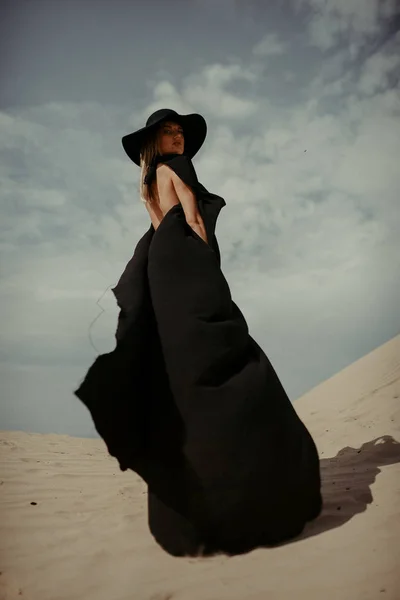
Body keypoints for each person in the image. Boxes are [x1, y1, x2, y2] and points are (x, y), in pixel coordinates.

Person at [74, 108, 322, 557]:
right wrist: (209, 264)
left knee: (181, 363)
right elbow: (192, 219)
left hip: (160, 269)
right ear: (155, 140)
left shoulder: (147, 182)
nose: (178, 138)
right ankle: (254, 490)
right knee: (220, 350)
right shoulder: (177, 168)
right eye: (169, 132)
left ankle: (192, 506)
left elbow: (156, 228)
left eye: (180, 132)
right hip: (187, 262)